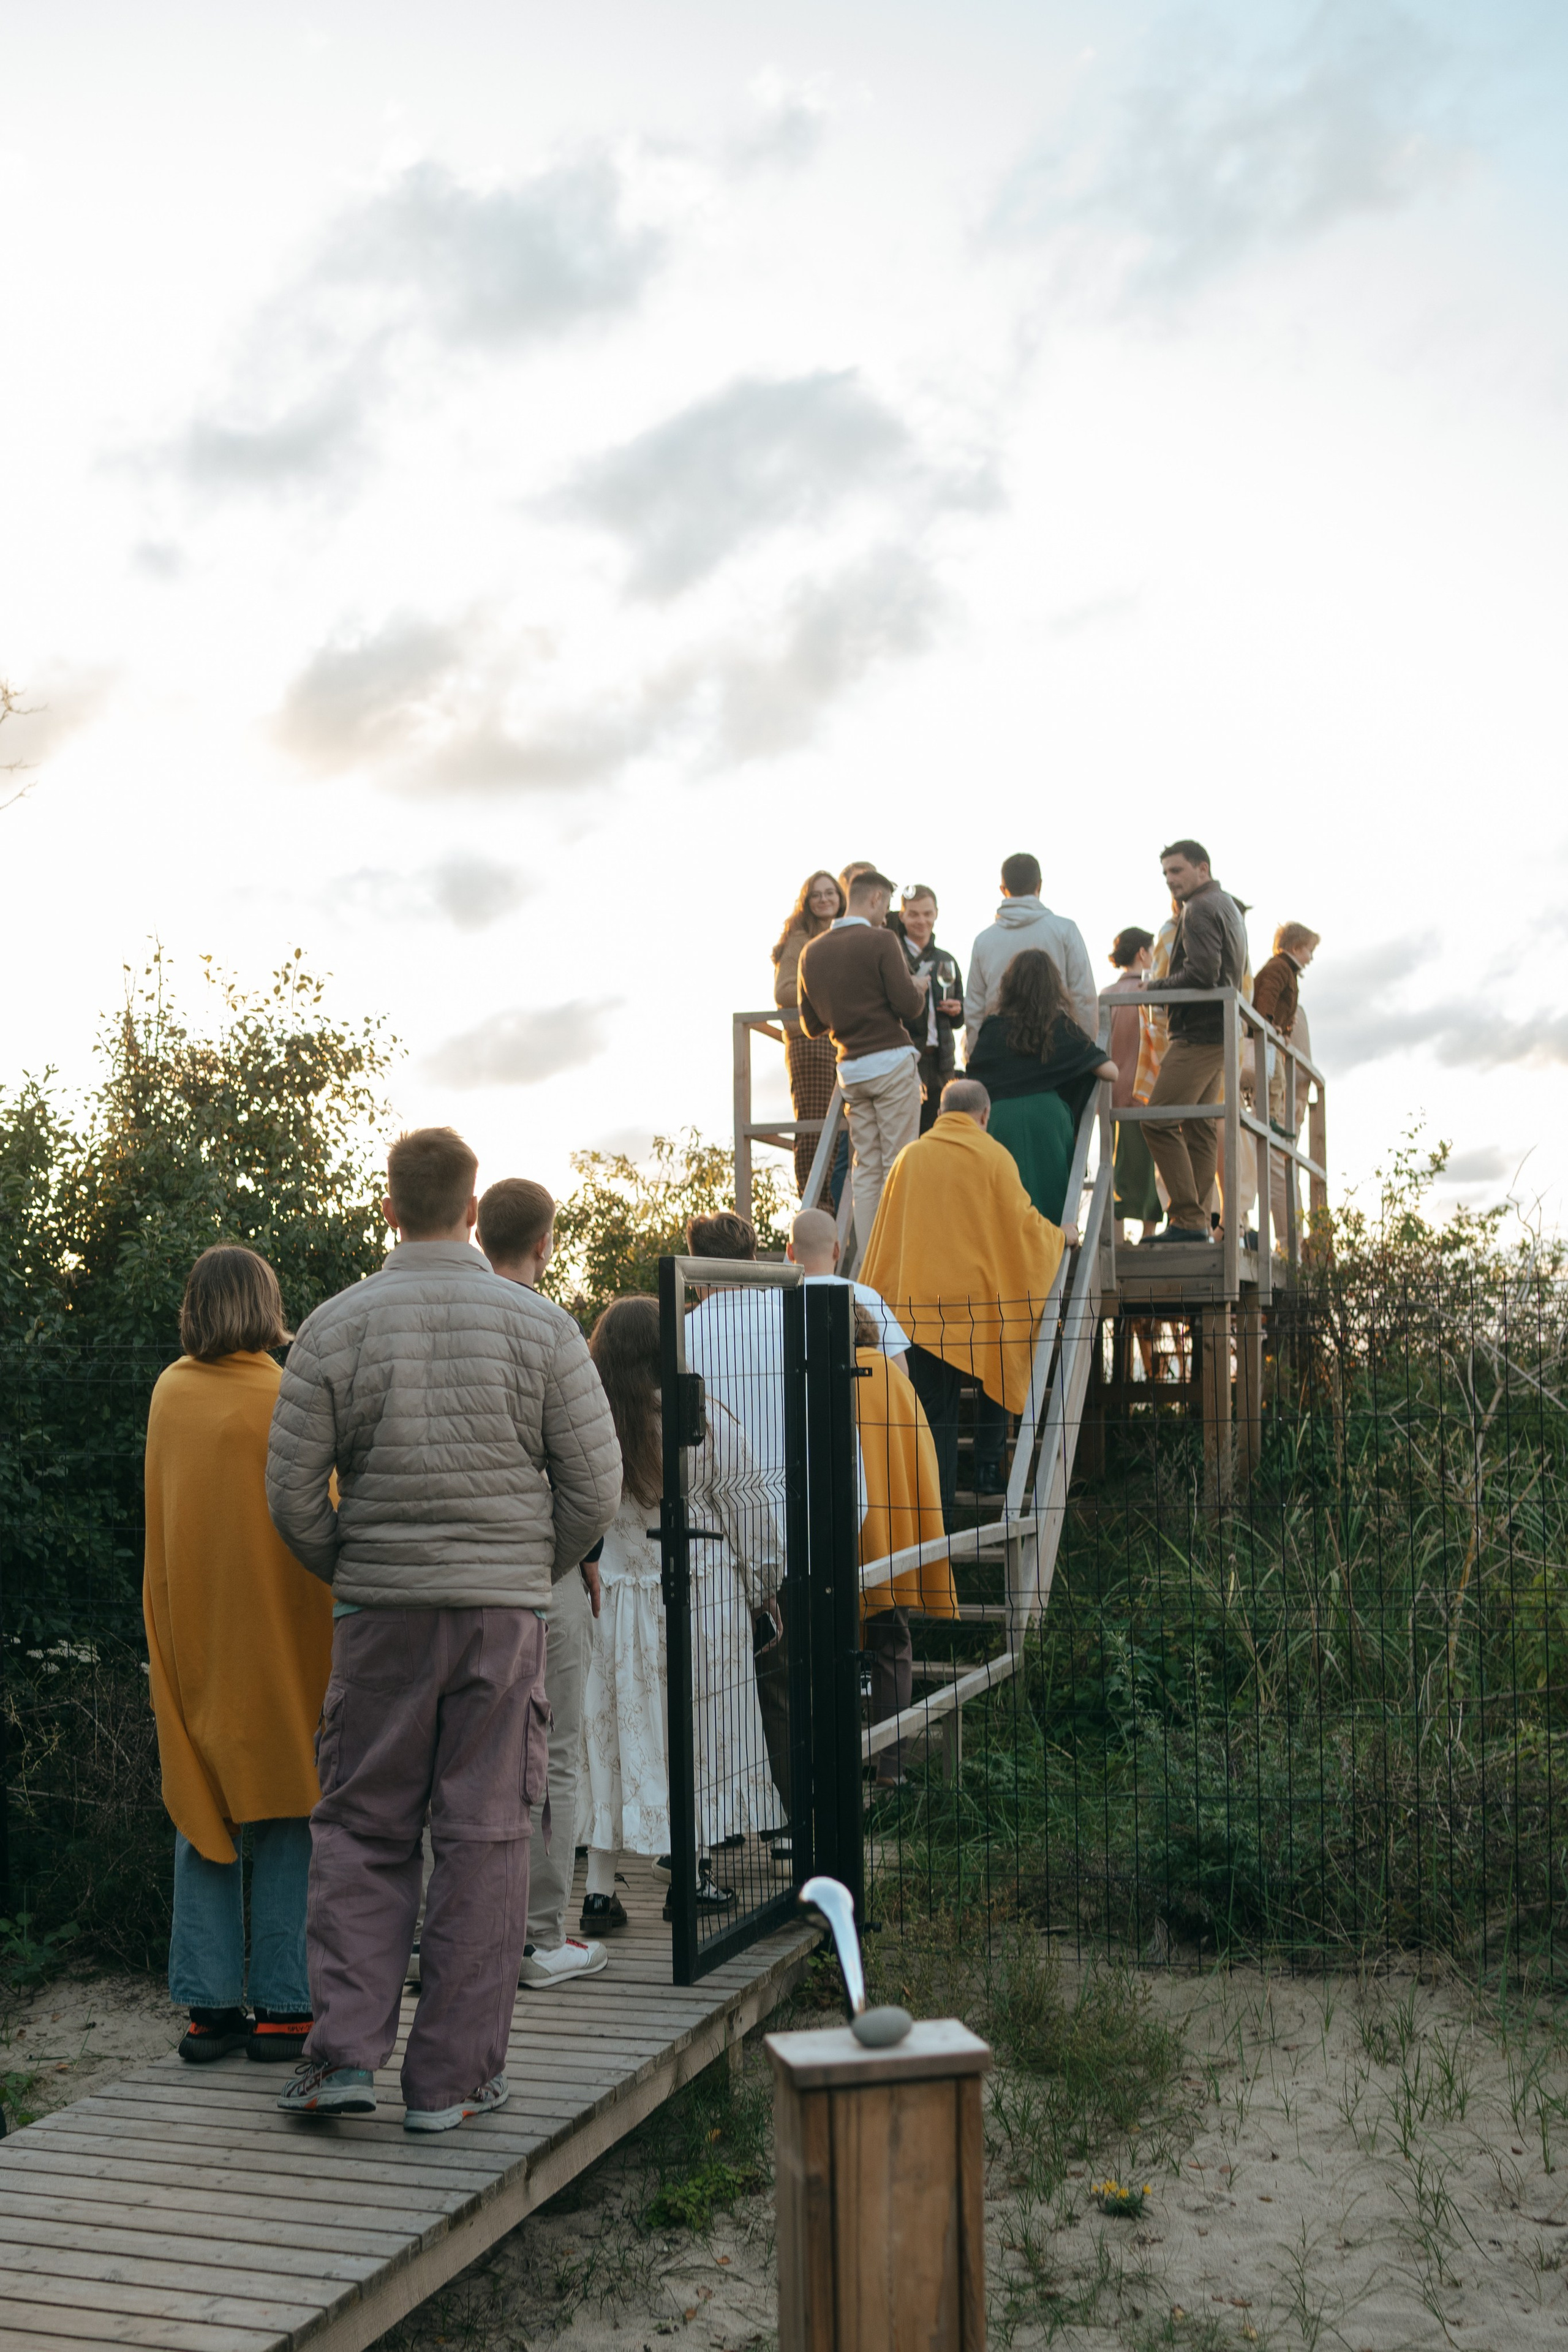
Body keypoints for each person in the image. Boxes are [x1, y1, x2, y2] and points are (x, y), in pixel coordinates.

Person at [265, 1126, 622, 2131]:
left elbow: (291, 1495)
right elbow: (592, 1490)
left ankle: (341, 2057)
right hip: (500, 1623)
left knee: (361, 1832)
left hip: (378, 1618)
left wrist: (359, 1567)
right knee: (487, 1837)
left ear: (390, 1209)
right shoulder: (543, 1328)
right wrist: (522, 1568)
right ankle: (453, 2083)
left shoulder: (335, 1328)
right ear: (472, 1212)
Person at [143, 1246, 332, 2068]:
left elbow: (162, 1515)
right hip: (285, 1627)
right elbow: (322, 1513)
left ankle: (209, 2006)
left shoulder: (169, 1393)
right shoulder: (289, 1394)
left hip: (198, 1622)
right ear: (268, 1304)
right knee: (291, 1807)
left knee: (202, 1801)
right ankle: (286, 2006)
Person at [579, 1297, 783, 1931]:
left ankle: (598, 1890)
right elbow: (747, 1510)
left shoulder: (589, 1423)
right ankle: (689, 1876)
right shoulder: (703, 1419)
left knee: (615, 1733)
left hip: (613, 1596)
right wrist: (763, 1588)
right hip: (701, 1596)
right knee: (698, 1726)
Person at [475, 1177, 608, 1990]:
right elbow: (593, 1478)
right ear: (546, 1242)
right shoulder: (549, 1326)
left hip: (433, 1578)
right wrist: (560, 1557)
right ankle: (539, 1937)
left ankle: (436, 1936)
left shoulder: (428, 1316)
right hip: (536, 1569)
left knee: (450, 1756)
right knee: (553, 1755)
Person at [859, 1078, 1074, 1527]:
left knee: (936, 1417)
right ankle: (989, 1469)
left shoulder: (909, 1158)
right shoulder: (994, 1157)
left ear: (938, 1114)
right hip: (979, 1315)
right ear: (984, 1116)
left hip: (918, 1315)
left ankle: (936, 1521)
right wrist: (1061, 1236)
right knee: (1005, 1353)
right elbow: (1023, 1226)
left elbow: (885, 1236)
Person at [682, 1212, 793, 1849]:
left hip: (710, 1540)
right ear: (753, 1257)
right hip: (796, 1521)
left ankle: (720, 1824)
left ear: (696, 1267)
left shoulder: (685, 1336)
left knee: (715, 1688)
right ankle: (788, 1829)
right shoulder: (793, 1320)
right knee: (786, 1685)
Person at [853, 1304, 957, 1788]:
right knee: (892, 1648)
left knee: (831, 1654)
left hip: (837, 1546)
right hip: (892, 1543)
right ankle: (890, 1769)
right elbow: (923, 1460)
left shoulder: (822, 1378)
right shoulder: (897, 1383)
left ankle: (837, 1765)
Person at [797, 868, 927, 1251]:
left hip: (851, 1069)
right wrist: (918, 986)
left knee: (866, 1169)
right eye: (886, 905)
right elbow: (909, 1005)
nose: (886, 915)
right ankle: (900, 1253)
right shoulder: (882, 940)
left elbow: (811, 1024)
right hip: (890, 1061)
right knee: (900, 1163)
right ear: (874, 899)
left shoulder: (811, 952)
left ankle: (872, 1254)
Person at [1141, 841, 1249, 1243]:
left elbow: (1203, 973)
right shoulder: (1226, 906)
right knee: (1200, 1127)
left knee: (1156, 1119)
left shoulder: (1201, 908)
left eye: (1177, 871)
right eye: (1166, 873)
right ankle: (1198, 1221)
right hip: (1219, 1032)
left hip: (1198, 1034)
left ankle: (1188, 1219)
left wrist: (1156, 987)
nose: (1171, 880)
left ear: (1202, 869)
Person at [965, 949, 1116, 1224]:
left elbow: (974, 1079)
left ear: (1008, 986)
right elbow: (1111, 1072)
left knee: (1004, 1201)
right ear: (1054, 988)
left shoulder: (992, 1029)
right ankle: (1055, 1254)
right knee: (1052, 1203)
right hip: (1049, 1119)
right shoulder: (1060, 1028)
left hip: (1000, 1120)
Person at [963, 853, 1097, 1054]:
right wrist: (1086, 1051)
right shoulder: (1065, 931)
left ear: (1003, 889)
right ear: (1040, 885)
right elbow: (1083, 996)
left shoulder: (983, 941)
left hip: (1002, 1051)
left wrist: (976, 1057)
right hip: (1056, 1047)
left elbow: (974, 1009)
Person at [772, 871, 847, 1199]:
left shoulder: (847, 934)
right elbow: (785, 991)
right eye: (817, 894)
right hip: (810, 1043)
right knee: (815, 1129)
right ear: (806, 901)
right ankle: (814, 1206)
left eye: (831, 893)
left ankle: (835, 1210)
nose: (825, 899)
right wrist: (831, 996)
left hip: (844, 1043)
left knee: (843, 1133)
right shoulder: (800, 940)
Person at [1253, 924, 1320, 1247]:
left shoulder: (1289, 978)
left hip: (1278, 1053)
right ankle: (1287, 1241)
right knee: (1278, 1162)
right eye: (1309, 950)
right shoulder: (1279, 970)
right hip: (1270, 1048)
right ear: (1295, 947)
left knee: (1278, 1161)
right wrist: (1269, 1024)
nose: (1311, 958)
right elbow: (1266, 996)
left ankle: (1288, 1240)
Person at [785, 1207, 909, 1357]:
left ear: (790, 1252)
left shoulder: (772, 1299)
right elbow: (900, 1368)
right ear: (837, 1250)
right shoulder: (867, 1297)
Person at [1104, 927, 1162, 1240]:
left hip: (1110, 1091)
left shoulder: (1106, 995)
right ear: (1142, 953)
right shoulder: (1149, 992)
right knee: (1146, 1165)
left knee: (1114, 1167)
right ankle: (1150, 1234)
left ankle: (1115, 1237)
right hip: (1144, 1091)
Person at [895, 885, 965, 1133]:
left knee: (942, 1133)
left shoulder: (947, 959)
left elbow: (959, 1020)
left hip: (942, 1063)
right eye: (914, 914)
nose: (921, 920)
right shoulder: (894, 957)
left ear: (936, 914)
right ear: (901, 916)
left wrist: (958, 1009)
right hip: (907, 1060)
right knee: (909, 1135)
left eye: (927, 913)